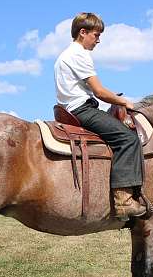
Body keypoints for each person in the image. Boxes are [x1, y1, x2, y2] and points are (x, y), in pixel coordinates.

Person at [54, 12, 147, 220]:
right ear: (82, 32)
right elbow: (99, 91)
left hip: (70, 109)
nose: (98, 40)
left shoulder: (64, 55)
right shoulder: (79, 54)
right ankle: (123, 200)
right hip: (82, 110)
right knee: (128, 138)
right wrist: (124, 101)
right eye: (96, 35)